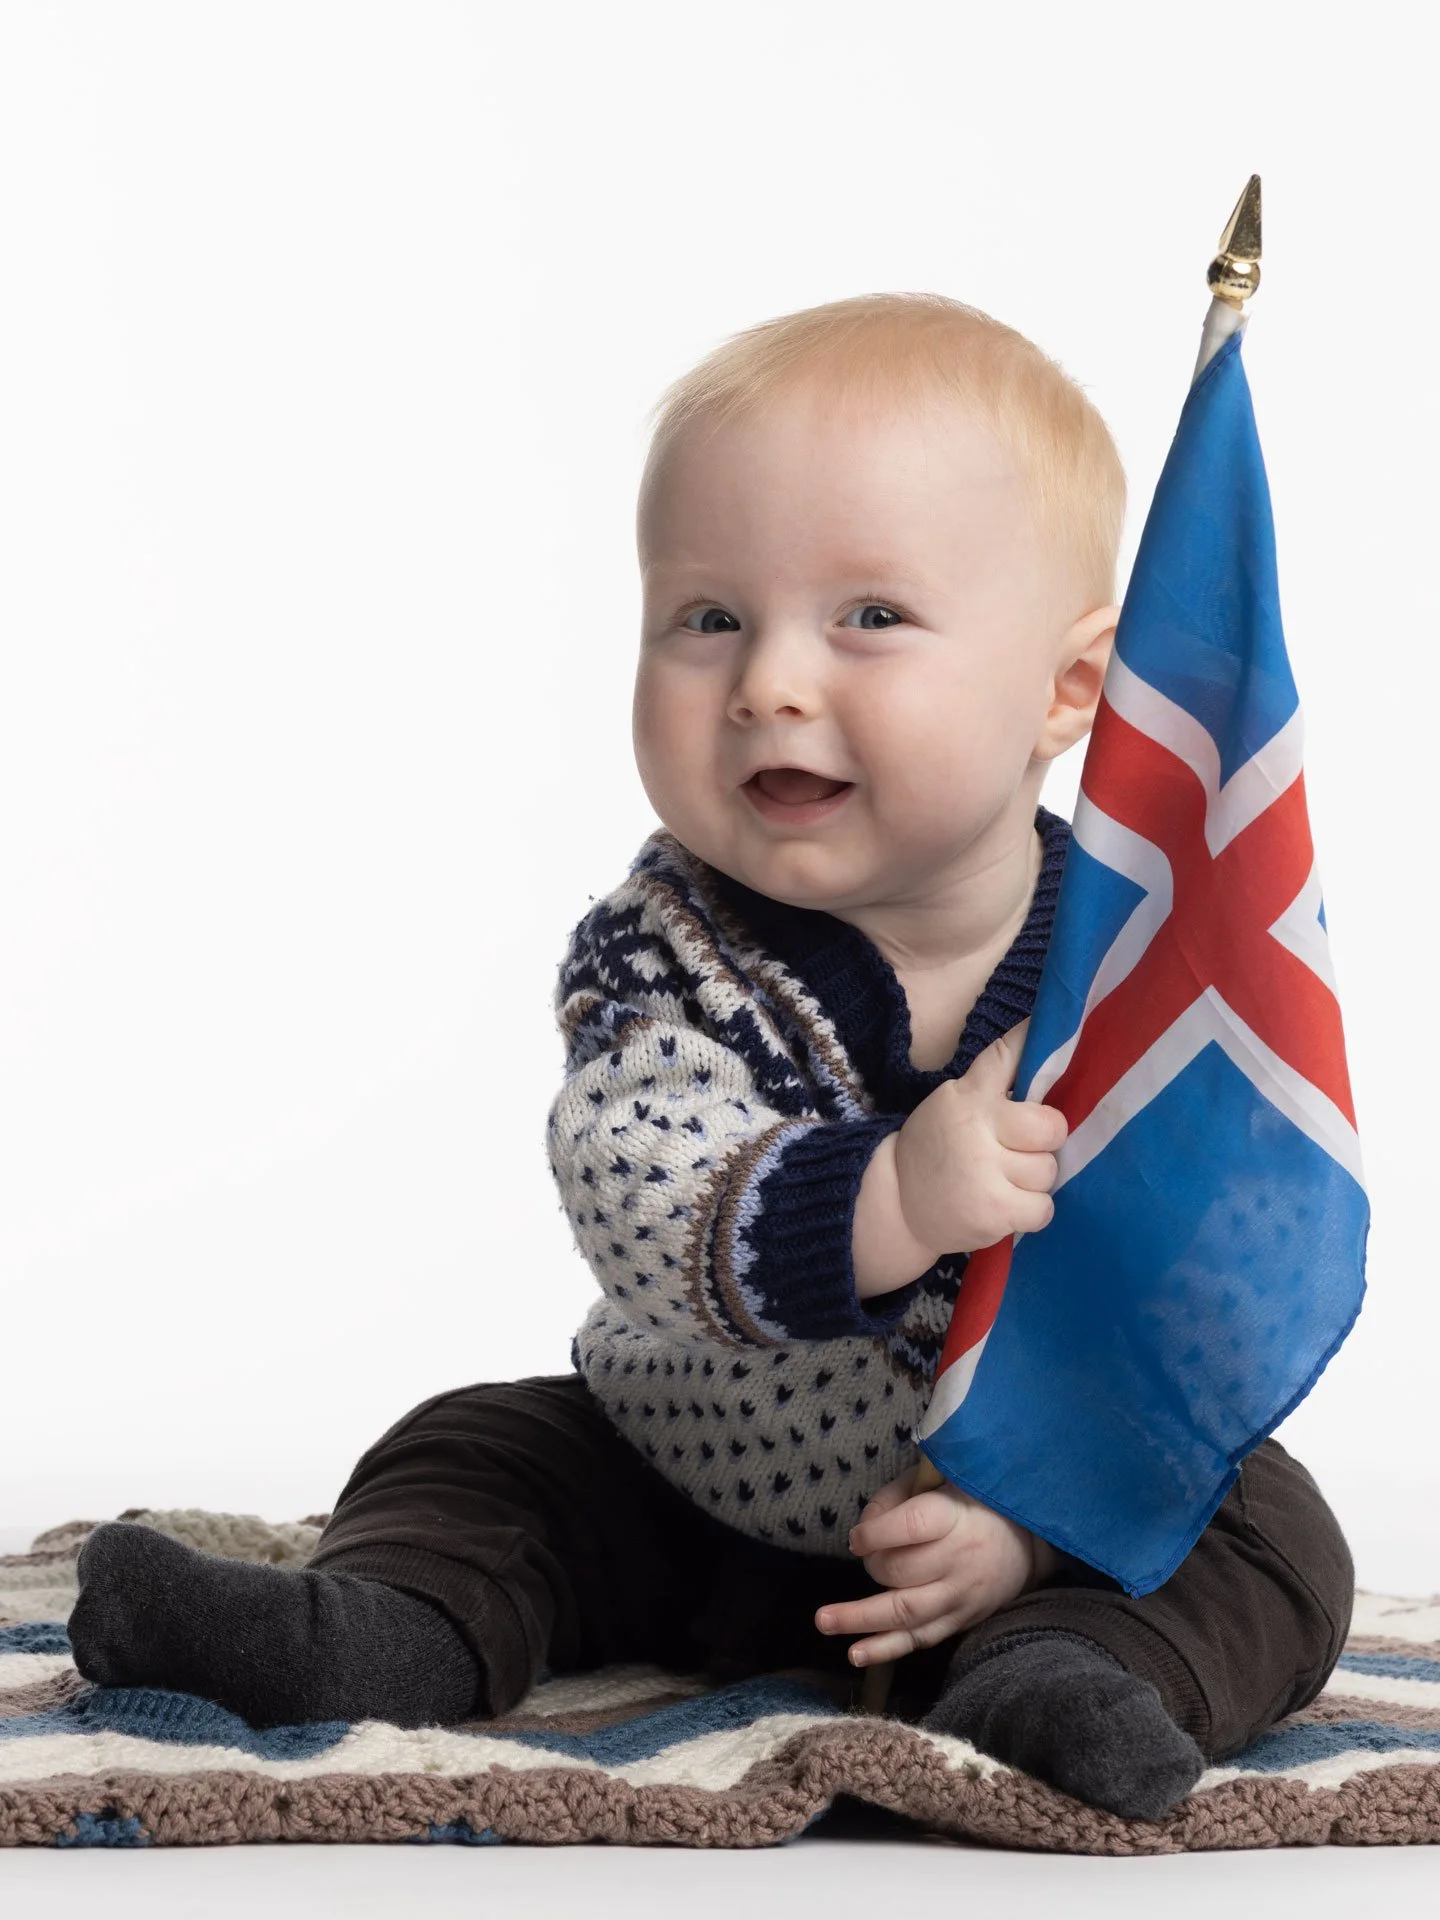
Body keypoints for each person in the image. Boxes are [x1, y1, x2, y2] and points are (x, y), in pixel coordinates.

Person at [67, 293, 1353, 1821]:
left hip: (1006, 1514)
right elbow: (641, 1191)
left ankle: (1062, 1667)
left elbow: (1185, 1276)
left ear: (1070, 692)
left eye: (870, 617)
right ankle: (376, 1635)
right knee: (473, 1448)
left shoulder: (1133, 962)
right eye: (709, 617)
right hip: (680, 1473)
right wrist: (892, 1192)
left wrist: (1036, 1521)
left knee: (1269, 1531)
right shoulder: (663, 945)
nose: (769, 682)